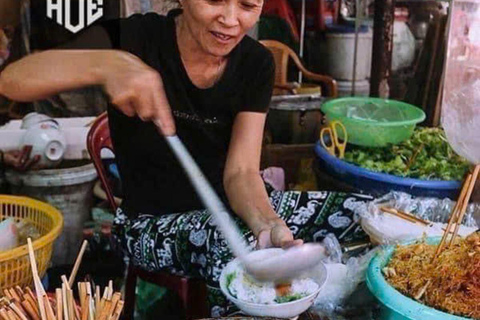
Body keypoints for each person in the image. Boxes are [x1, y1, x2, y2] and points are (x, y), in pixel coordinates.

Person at [0, 0, 372, 316]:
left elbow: (241, 172)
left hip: (232, 210)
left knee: (362, 213)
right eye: (214, 0)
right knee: (234, 252)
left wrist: (267, 224)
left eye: (247, 5)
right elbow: (13, 79)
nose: (230, 19)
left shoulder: (255, 63)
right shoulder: (135, 38)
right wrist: (106, 64)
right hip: (147, 224)